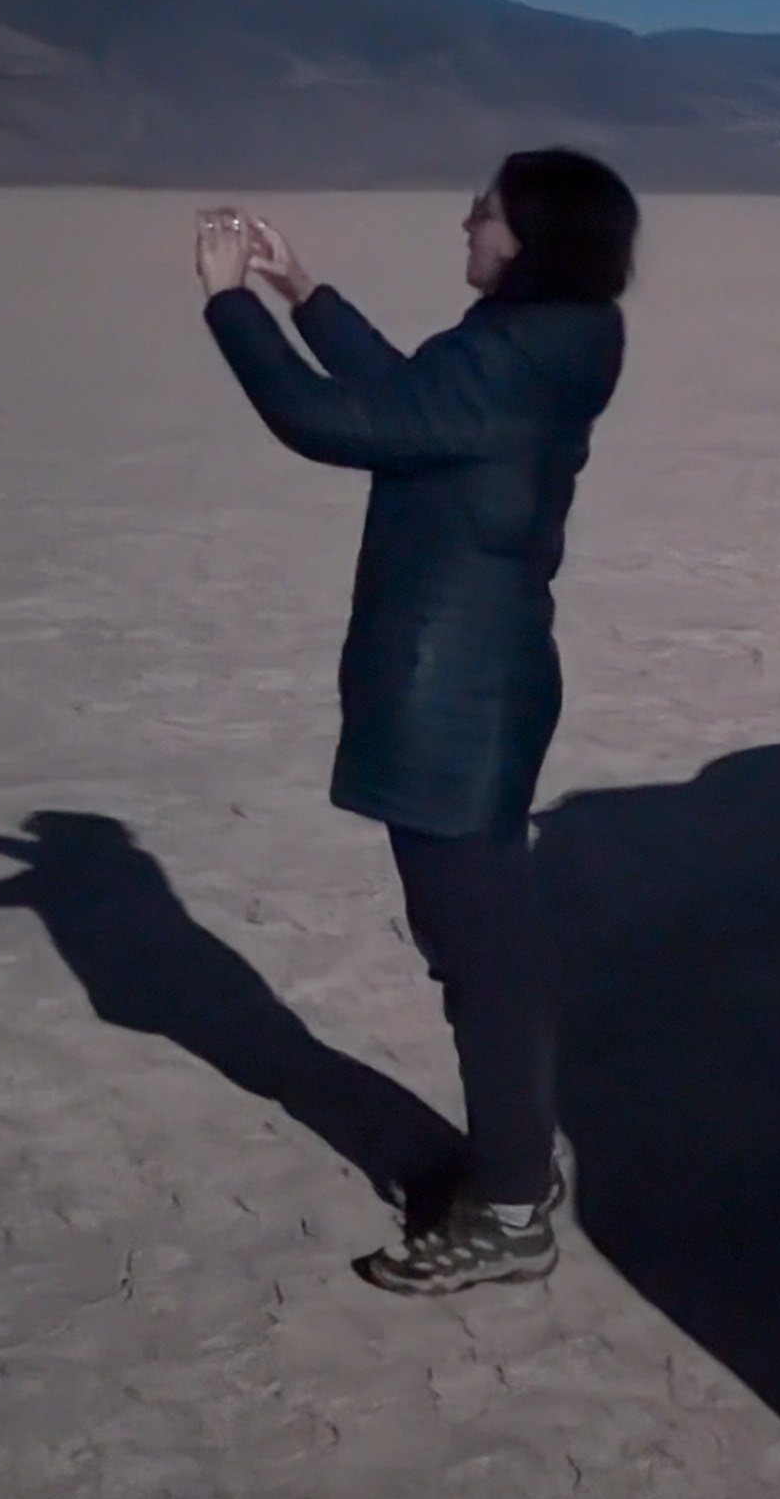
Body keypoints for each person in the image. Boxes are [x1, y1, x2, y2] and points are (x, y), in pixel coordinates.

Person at [190, 149, 635, 1293]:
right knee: (483, 947)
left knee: (481, 958)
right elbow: (404, 405)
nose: (466, 224)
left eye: (484, 212)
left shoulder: (511, 355)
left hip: (456, 697)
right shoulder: (548, 344)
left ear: (530, 238)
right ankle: (514, 1167)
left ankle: (509, 1209)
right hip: (479, 681)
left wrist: (227, 302)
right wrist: (306, 293)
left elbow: (328, 422)